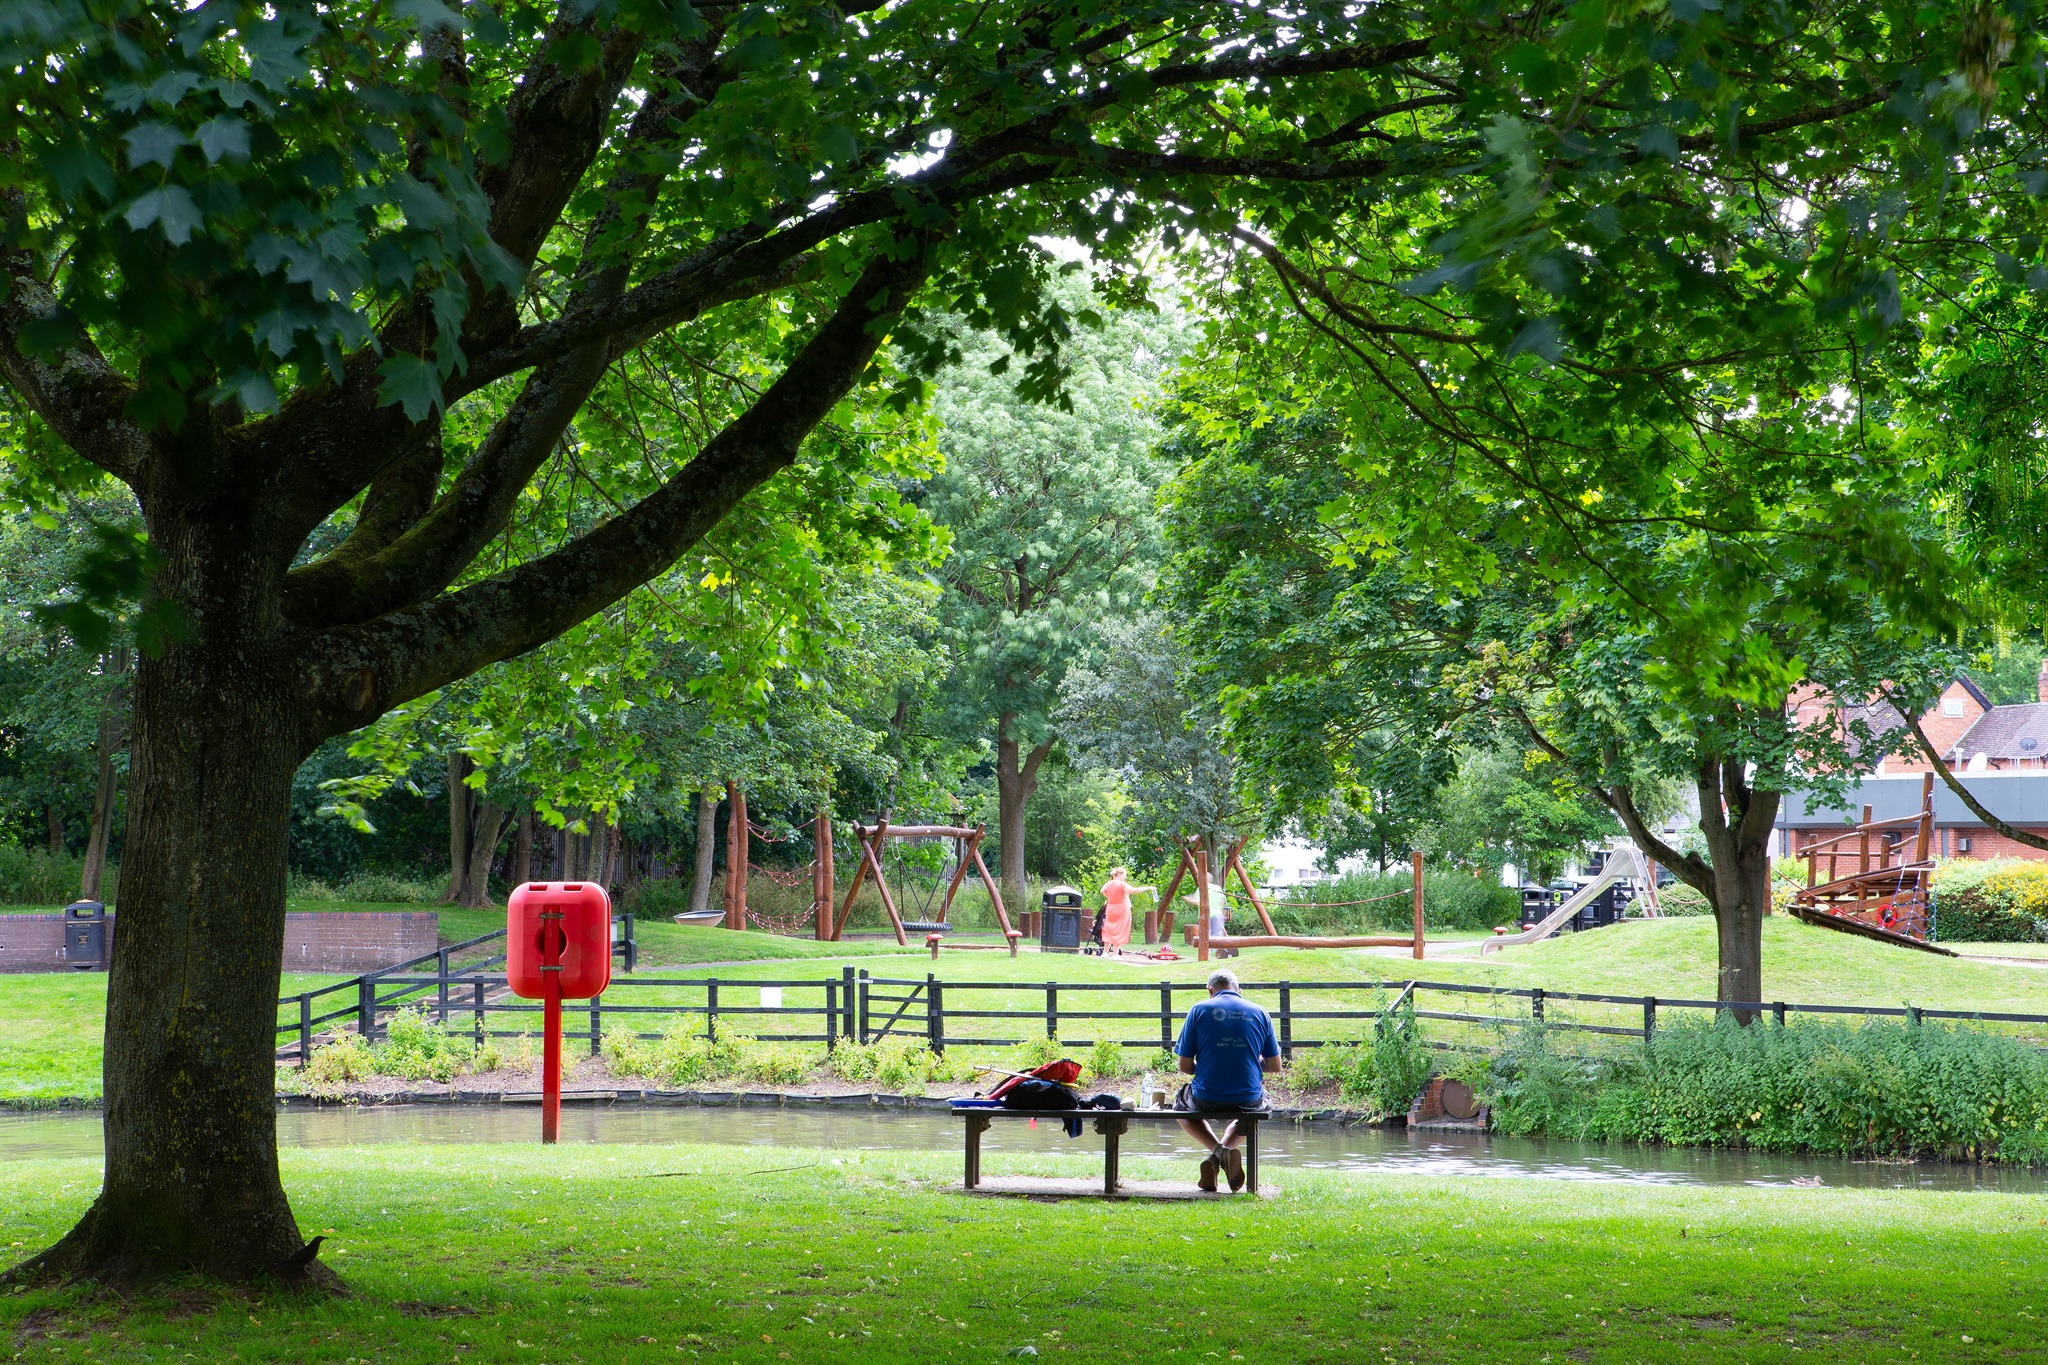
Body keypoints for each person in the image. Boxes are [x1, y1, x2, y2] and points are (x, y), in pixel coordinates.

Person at [1172, 967, 1280, 1192]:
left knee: (1179, 1105)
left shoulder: (1198, 1010)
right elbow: (1274, 1066)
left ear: (1210, 990)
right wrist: (1251, 1062)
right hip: (1248, 1098)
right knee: (1257, 1107)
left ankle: (1216, 1154)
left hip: (1205, 1096)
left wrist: (1204, 1067)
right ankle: (1223, 1153)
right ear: (1239, 990)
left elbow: (1184, 1066)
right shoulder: (1260, 1012)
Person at [1097, 867, 1156, 953]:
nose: (1125, 877)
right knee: (1120, 929)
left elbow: (1103, 891)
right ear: (1120, 874)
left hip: (1110, 908)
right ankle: (1115, 954)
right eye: (1125, 875)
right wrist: (1148, 888)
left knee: (1109, 928)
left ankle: (1105, 953)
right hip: (1121, 909)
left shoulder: (1109, 884)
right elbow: (1133, 891)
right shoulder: (1121, 885)